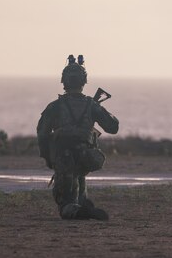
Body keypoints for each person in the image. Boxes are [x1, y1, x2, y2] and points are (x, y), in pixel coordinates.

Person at [36, 55, 120, 220]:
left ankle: (78, 210)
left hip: (63, 158)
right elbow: (113, 127)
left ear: (64, 81)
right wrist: (98, 110)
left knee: (65, 205)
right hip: (85, 157)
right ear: (84, 81)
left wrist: (49, 158)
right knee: (79, 192)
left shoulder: (55, 106)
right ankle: (83, 207)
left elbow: (42, 134)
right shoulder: (91, 105)